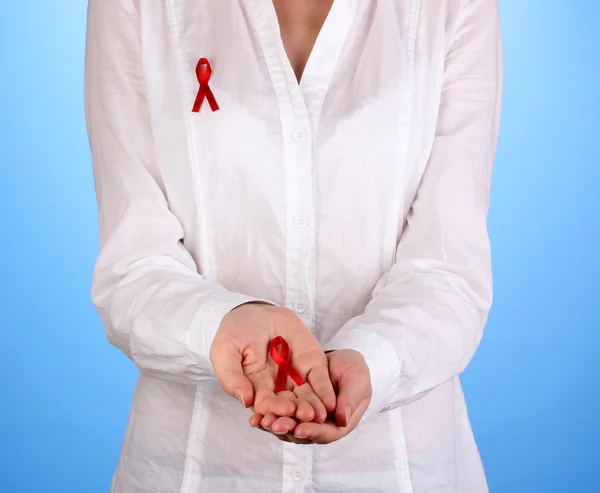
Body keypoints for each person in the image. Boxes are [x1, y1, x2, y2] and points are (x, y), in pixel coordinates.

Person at [84, 0, 503, 491]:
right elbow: (132, 266)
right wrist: (222, 324)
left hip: (401, 469)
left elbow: (449, 269)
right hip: (195, 470)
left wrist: (372, 360)